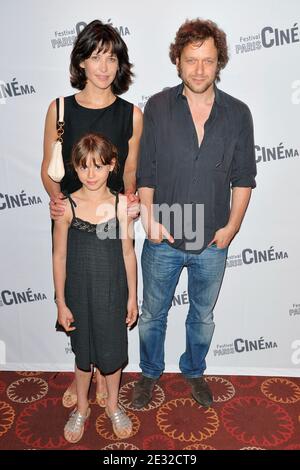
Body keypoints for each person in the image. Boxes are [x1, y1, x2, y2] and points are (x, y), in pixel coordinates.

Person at [132, 18, 257, 409]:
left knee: (202, 317)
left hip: (212, 242)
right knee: (153, 314)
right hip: (163, 238)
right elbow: (146, 172)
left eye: (207, 60)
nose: (199, 69)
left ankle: (194, 370)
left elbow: (244, 178)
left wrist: (232, 228)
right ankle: (149, 374)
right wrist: (150, 221)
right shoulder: (157, 106)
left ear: (219, 62)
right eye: (191, 60)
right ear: (178, 61)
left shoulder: (238, 114)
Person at [41, 20, 142, 409]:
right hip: (70, 217)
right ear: (81, 61)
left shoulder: (132, 115)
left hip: (111, 223)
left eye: (112, 58)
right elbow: (48, 167)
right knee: (75, 296)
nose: (104, 66)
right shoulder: (60, 108)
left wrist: (130, 205)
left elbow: (130, 174)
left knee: (107, 297)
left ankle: (103, 373)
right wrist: (57, 201)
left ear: (120, 65)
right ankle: (85, 369)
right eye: (96, 57)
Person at [53, 132, 137, 442]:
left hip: (112, 293)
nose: (91, 174)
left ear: (112, 166)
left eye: (99, 166)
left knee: (112, 353)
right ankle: (83, 409)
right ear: (74, 167)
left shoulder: (121, 205)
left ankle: (113, 406)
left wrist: (132, 298)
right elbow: (59, 256)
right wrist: (61, 302)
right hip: (78, 294)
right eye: (84, 166)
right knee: (82, 355)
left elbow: (128, 253)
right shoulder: (67, 207)